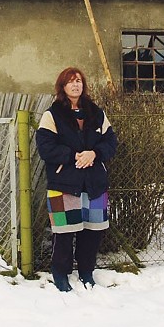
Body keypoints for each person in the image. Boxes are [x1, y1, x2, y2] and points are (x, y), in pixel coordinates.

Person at [36, 67, 117, 291]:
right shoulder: (52, 115)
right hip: (64, 183)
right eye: (71, 81)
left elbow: (111, 142)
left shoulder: (96, 113)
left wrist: (94, 154)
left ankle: (86, 271)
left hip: (94, 182)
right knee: (63, 232)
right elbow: (46, 148)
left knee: (93, 231)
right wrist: (74, 156)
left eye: (79, 81)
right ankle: (60, 273)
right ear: (62, 86)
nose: (76, 85)